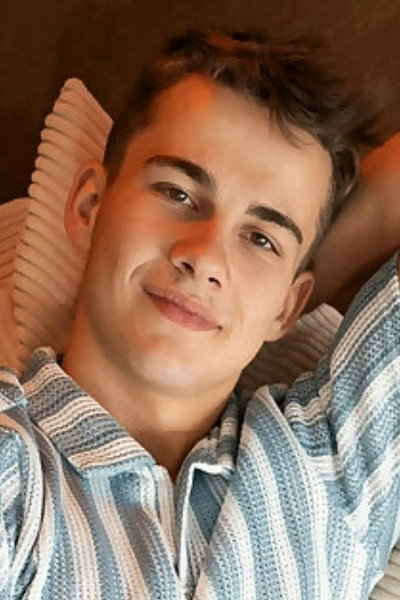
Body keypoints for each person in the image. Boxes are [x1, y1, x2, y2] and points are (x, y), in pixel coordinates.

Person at [0, 29, 398, 600]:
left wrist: (334, 241)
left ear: (290, 306)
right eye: (178, 193)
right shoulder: (12, 469)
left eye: (260, 238)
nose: (206, 257)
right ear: (89, 206)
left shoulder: (331, 471)